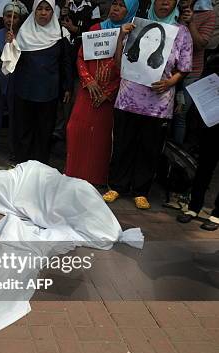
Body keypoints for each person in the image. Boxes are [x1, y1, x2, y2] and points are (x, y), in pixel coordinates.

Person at [103, 0, 193, 209]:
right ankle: (116, 185)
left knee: (149, 148)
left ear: (175, 4)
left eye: (170, 0)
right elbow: (118, 63)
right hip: (127, 99)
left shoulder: (181, 32)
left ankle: (141, 191)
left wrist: (170, 82)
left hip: (158, 104)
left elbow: (185, 67)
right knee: (123, 144)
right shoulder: (136, 25)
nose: (164, 3)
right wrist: (121, 38)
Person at [65, 0, 139, 185]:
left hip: (109, 96)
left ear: (130, 10)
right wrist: (88, 81)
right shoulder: (96, 27)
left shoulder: (133, 35)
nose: (116, 8)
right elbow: (81, 57)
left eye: (122, 6)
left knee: (101, 137)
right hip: (87, 90)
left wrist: (108, 92)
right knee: (75, 129)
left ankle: (95, 178)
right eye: (114, 3)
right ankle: (73, 172)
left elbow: (130, 68)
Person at [9, 0, 73, 165]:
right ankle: (21, 164)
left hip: (48, 91)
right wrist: (11, 45)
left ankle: (39, 165)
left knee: (44, 130)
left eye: (47, 9)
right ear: (33, 11)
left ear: (53, 12)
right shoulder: (23, 32)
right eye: (40, 9)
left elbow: (66, 62)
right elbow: (11, 61)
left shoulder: (61, 33)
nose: (43, 13)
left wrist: (67, 87)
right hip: (24, 89)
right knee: (23, 129)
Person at [176, 47, 219, 230]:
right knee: (205, 165)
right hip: (212, 117)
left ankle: (217, 214)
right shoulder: (216, 56)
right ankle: (194, 207)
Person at [172, 0, 215, 144]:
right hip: (168, 70)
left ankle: (175, 158)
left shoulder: (208, 14)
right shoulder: (172, 8)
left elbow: (201, 44)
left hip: (191, 73)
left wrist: (190, 23)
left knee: (180, 114)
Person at [53, 0, 97, 140]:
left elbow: (95, 30)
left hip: (83, 59)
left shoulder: (93, 7)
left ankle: (71, 134)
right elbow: (52, 26)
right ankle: (59, 132)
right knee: (61, 99)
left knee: (75, 98)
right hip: (62, 59)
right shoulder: (61, 5)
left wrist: (76, 30)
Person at [0, 1, 28, 154]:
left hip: (17, 81)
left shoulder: (25, 36)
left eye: (15, 17)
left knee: (15, 117)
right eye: (8, 16)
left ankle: (14, 150)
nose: (10, 20)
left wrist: (13, 43)